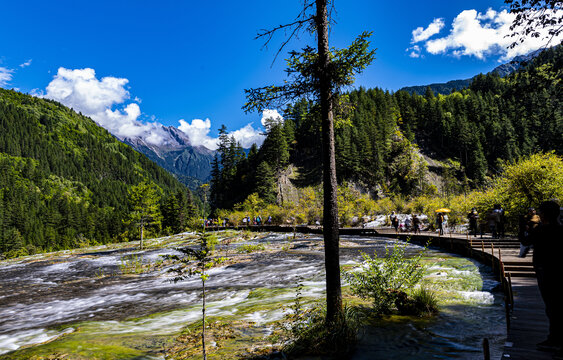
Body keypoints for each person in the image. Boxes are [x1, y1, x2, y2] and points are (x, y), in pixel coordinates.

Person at [522, 200, 563, 355]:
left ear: (544, 214)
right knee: (557, 306)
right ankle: (555, 338)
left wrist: (523, 227)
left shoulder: (541, 230)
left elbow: (525, 241)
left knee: (552, 307)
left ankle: (554, 339)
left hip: (545, 271)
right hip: (558, 271)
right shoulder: (560, 230)